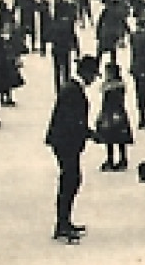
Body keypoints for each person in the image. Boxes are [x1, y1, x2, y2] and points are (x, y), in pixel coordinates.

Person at [45, 57, 98, 243]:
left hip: (65, 141)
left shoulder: (72, 88)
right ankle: (62, 224)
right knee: (70, 180)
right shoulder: (72, 91)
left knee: (71, 179)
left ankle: (64, 221)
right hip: (65, 142)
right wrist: (89, 133)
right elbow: (72, 121)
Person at [94, 61, 135, 172]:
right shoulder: (113, 86)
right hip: (114, 113)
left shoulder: (113, 87)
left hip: (113, 113)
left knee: (113, 137)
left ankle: (118, 159)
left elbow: (113, 101)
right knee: (114, 137)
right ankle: (117, 159)